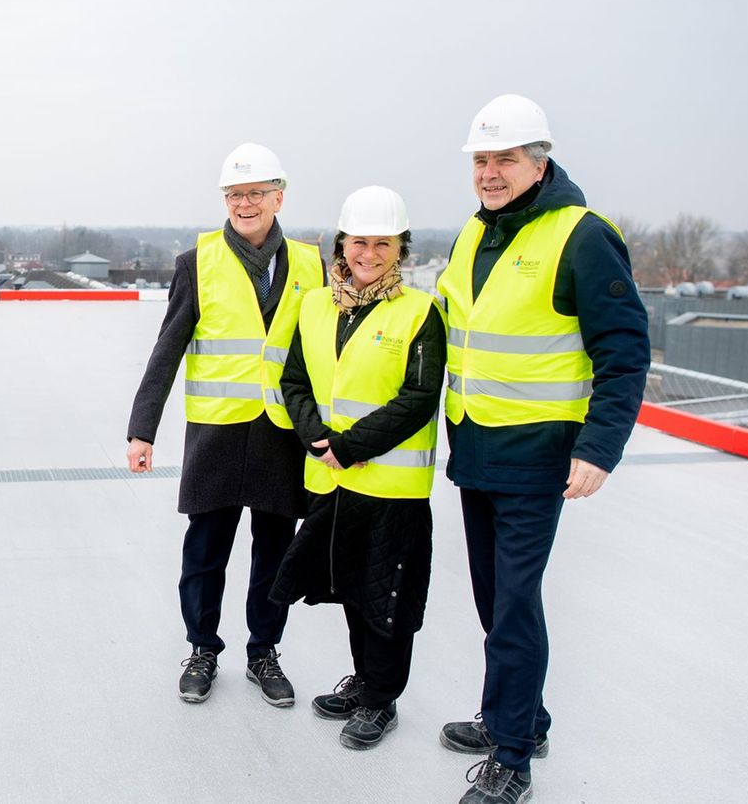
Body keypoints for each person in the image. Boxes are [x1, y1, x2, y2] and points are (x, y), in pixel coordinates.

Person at [436, 95, 650, 804]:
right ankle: (521, 714)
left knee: (516, 603)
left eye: (504, 159)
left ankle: (514, 756)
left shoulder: (582, 236)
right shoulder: (477, 233)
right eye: (481, 161)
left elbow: (623, 349)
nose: (490, 173)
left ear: (539, 161)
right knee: (494, 600)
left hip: (537, 457)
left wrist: (601, 447)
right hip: (476, 450)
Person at [126, 142, 324, 707]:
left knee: (274, 552)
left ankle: (264, 652)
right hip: (216, 433)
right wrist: (143, 430)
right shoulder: (198, 262)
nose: (244, 203)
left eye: (255, 193)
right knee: (206, 551)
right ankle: (202, 650)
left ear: (278, 197)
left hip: (280, 434)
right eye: (235, 194)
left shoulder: (313, 263)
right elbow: (167, 349)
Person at [269, 186, 445, 750]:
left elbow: (418, 397)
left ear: (401, 249)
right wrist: (317, 437)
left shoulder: (419, 312)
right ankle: (366, 682)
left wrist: (349, 445)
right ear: (342, 244)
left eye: (383, 244)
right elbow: (294, 380)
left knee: (386, 597)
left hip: (390, 487)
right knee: (351, 588)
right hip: (331, 478)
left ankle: (381, 699)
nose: (369, 254)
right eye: (359, 242)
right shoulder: (316, 305)